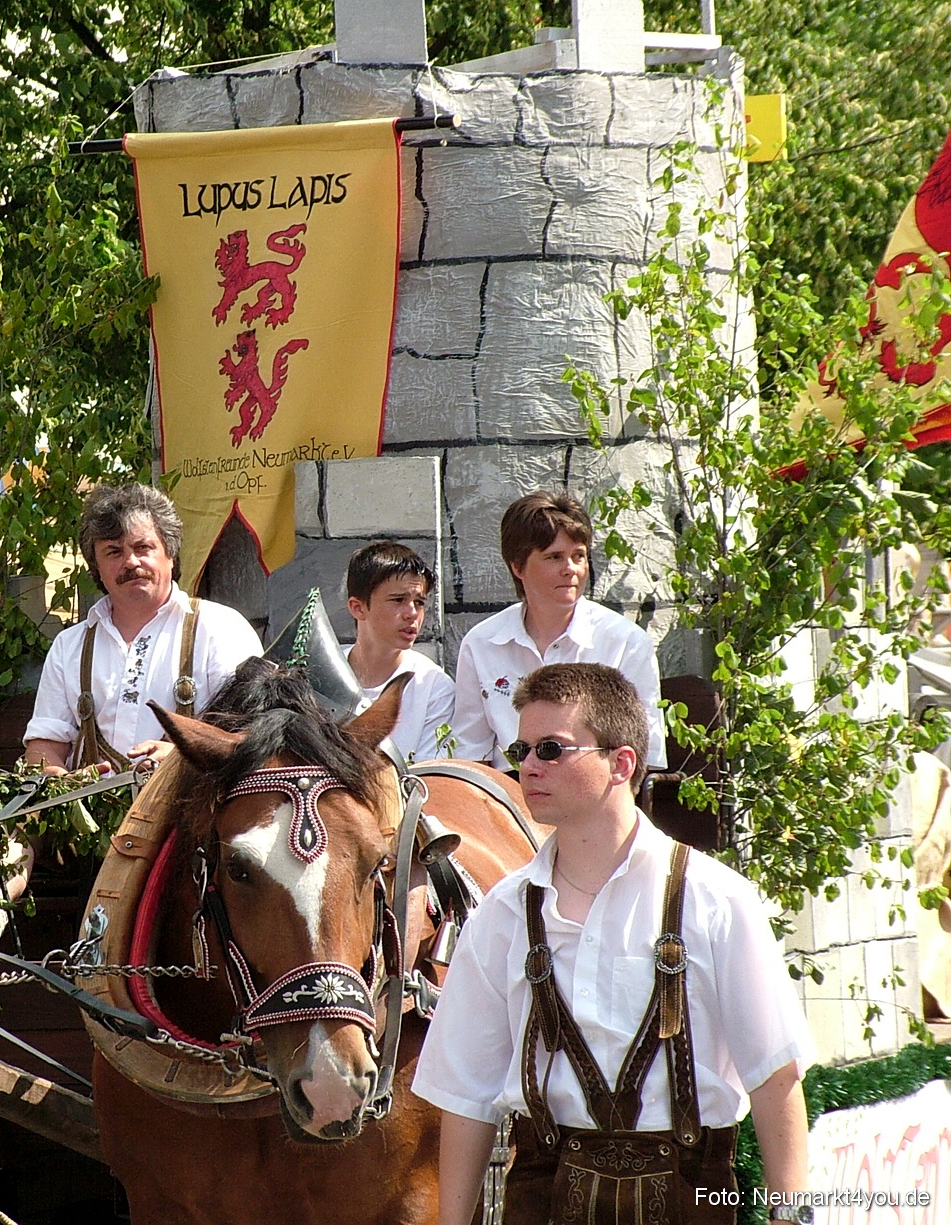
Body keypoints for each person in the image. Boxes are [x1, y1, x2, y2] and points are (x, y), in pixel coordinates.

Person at [413, 663, 815, 1225]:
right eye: (521, 750)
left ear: (621, 763)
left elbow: (775, 1076)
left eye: (551, 749)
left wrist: (791, 1216)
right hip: (541, 1199)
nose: (528, 766)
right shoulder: (501, 914)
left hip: (690, 1199)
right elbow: (465, 1097)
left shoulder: (717, 899)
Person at [24, 483, 262, 774]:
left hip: (192, 803)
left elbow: (252, 737)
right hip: (93, 804)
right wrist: (62, 781)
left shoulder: (222, 629)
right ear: (96, 568)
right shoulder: (69, 646)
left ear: (170, 554)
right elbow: (43, 746)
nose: (131, 562)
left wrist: (181, 757)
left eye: (143, 547)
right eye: (113, 552)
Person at [450, 491, 666, 770]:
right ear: (518, 567)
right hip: (509, 791)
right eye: (554, 557)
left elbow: (644, 758)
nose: (570, 569)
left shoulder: (626, 642)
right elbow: (470, 754)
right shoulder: (482, 643)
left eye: (579, 556)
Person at [343, 541, 455, 761]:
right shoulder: (318, 674)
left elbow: (428, 774)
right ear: (358, 607)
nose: (412, 613)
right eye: (398, 600)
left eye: (419, 602)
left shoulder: (434, 686)